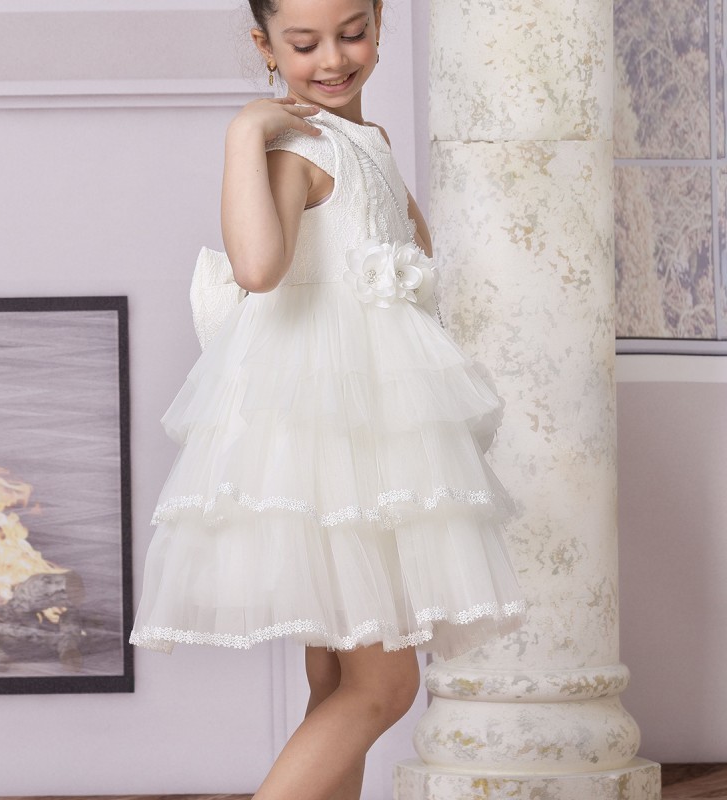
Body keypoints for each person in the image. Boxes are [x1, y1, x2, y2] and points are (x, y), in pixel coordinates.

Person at [130, 1, 526, 798]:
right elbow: (257, 269)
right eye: (305, 44)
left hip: (372, 433)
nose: (334, 60)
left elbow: (413, 257)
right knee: (385, 688)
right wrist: (246, 130)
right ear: (265, 45)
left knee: (337, 683)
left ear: (379, 22)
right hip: (330, 438)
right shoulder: (293, 150)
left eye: (353, 33)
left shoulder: (368, 140)